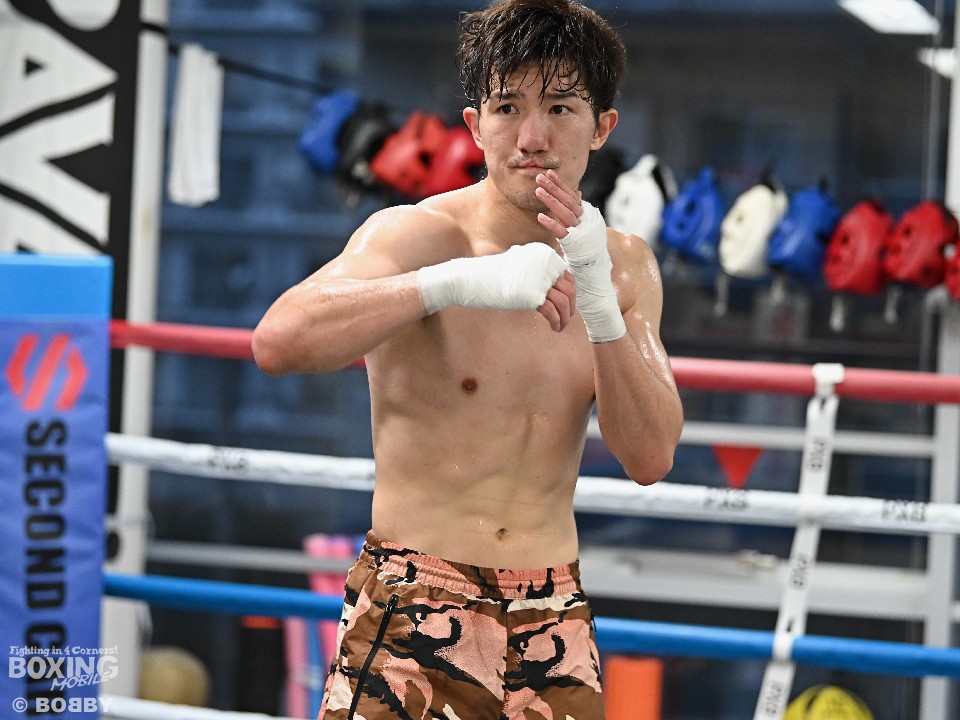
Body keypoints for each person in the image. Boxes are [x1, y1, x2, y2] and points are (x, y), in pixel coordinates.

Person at [253, 0, 684, 717]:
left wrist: (599, 303)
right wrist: (448, 284)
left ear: (602, 127)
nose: (532, 137)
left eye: (561, 108)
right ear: (475, 125)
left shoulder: (626, 266)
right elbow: (277, 341)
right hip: (417, 597)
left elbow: (651, 457)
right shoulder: (416, 237)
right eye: (507, 107)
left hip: (553, 612)